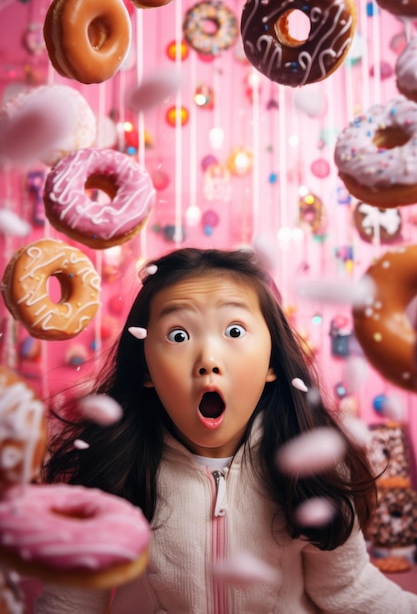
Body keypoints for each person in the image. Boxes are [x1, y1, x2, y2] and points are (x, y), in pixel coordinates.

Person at [35, 247, 417, 614]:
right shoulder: (111, 472)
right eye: (179, 336)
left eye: (234, 331)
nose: (209, 361)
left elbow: (348, 589)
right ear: (147, 368)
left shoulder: (314, 471)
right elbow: (72, 603)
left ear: (272, 363)